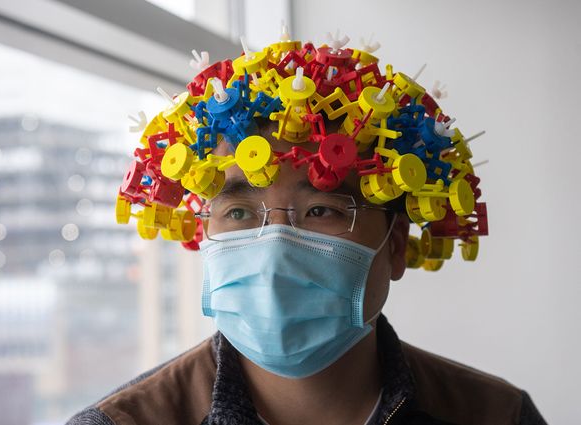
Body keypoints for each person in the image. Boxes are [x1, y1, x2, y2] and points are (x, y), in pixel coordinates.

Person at [68, 31, 547, 425]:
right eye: (238, 213)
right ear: (203, 234)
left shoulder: (498, 415)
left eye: (322, 210)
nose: (274, 252)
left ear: (396, 245)